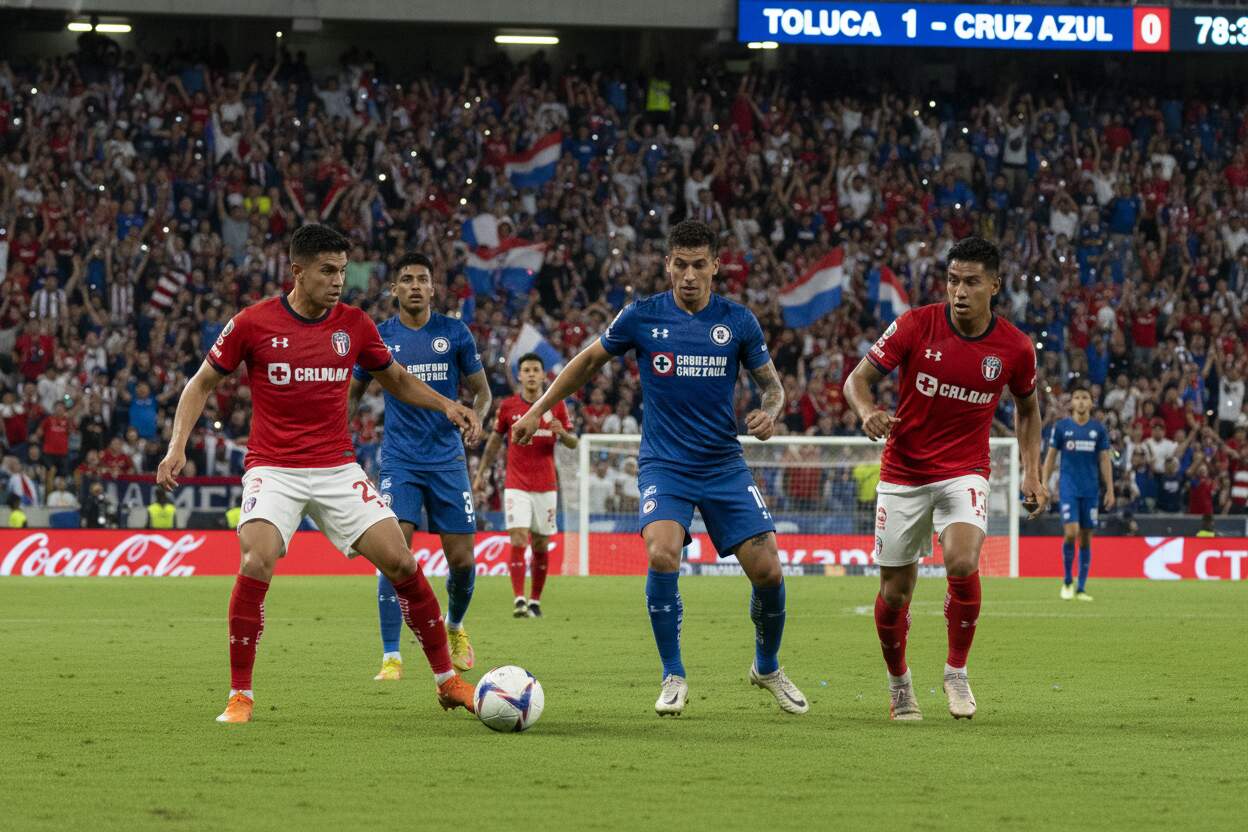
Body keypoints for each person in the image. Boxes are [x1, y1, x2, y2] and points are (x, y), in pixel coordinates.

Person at [156, 224, 483, 724]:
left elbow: (395, 378)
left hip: (337, 469)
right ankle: (240, 695)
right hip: (274, 469)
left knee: (401, 561)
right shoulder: (252, 323)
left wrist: (446, 404)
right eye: (328, 271)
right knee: (256, 559)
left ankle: (447, 682)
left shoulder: (354, 324)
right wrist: (177, 445)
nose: (338, 281)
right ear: (297, 271)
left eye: (342, 271)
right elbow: (200, 384)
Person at [511, 220, 807, 717]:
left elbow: (772, 386)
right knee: (663, 554)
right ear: (668, 264)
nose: (688, 275)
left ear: (716, 266)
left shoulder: (738, 321)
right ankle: (673, 674)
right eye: (680, 265)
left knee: (769, 570)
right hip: (665, 465)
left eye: (699, 265)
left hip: (723, 464)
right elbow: (587, 362)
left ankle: (767, 667)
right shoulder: (642, 315)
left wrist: (770, 412)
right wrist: (538, 409)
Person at [843, 236, 1047, 721]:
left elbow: (1028, 410)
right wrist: (867, 412)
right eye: (953, 280)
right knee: (895, 593)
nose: (959, 291)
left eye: (971, 282)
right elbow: (856, 380)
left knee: (961, 561)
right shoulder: (916, 325)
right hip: (904, 470)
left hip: (965, 470)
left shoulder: (1015, 347)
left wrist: (1033, 473)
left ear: (994, 286)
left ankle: (956, 671)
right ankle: (900, 685)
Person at [347, 252, 491, 682]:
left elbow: (482, 393)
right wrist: (338, 434)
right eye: (406, 279)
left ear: (432, 287)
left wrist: (477, 417)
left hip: (447, 459)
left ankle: (455, 625)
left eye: (422, 279)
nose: (414, 285)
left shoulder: (455, 332)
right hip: (400, 460)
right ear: (394, 289)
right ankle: (391, 655)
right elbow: (353, 392)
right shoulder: (380, 336)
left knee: (462, 560)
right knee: (395, 554)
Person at [473, 352, 577, 618]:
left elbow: (573, 442)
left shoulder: (557, 405)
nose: (531, 374)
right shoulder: (508, 406)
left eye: (535, 370)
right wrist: (481, 473)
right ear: (519, 375)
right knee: (518, 537)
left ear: (543, 375)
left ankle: (535, 601)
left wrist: (562, 433)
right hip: (516, 484)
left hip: (546, 485)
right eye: (527, 370)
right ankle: (519, 599)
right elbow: (494, 442)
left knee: (540, 544)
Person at [1041, 386, 1114, 601]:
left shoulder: (1098, 429)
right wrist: (1044, 483)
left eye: (1085, 398)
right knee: (1071, 532)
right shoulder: (1062, 427)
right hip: (1068, 488)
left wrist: (1110, 489)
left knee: (1086, 538)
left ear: (1091, 403)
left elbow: (1104, 459)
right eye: (1077, 397)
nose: (1081, 401)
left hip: (1090, 490)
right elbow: (1051, 457)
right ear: (1071, 402)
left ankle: (1081, 588)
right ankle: (1067, 581)